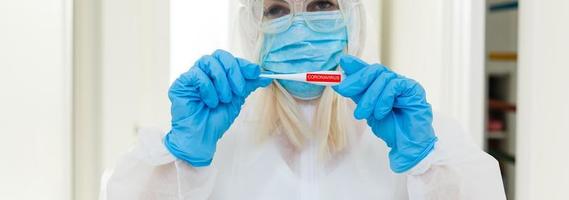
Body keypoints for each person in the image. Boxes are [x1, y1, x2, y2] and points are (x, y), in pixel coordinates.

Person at [101, 0, 506, 199]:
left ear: (351, 16)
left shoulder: (410, 133)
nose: (299, 25)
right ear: (253, 24)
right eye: (277, 8)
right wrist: (180, 158)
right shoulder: (216, 135)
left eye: (321, 5)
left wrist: (424, 161)